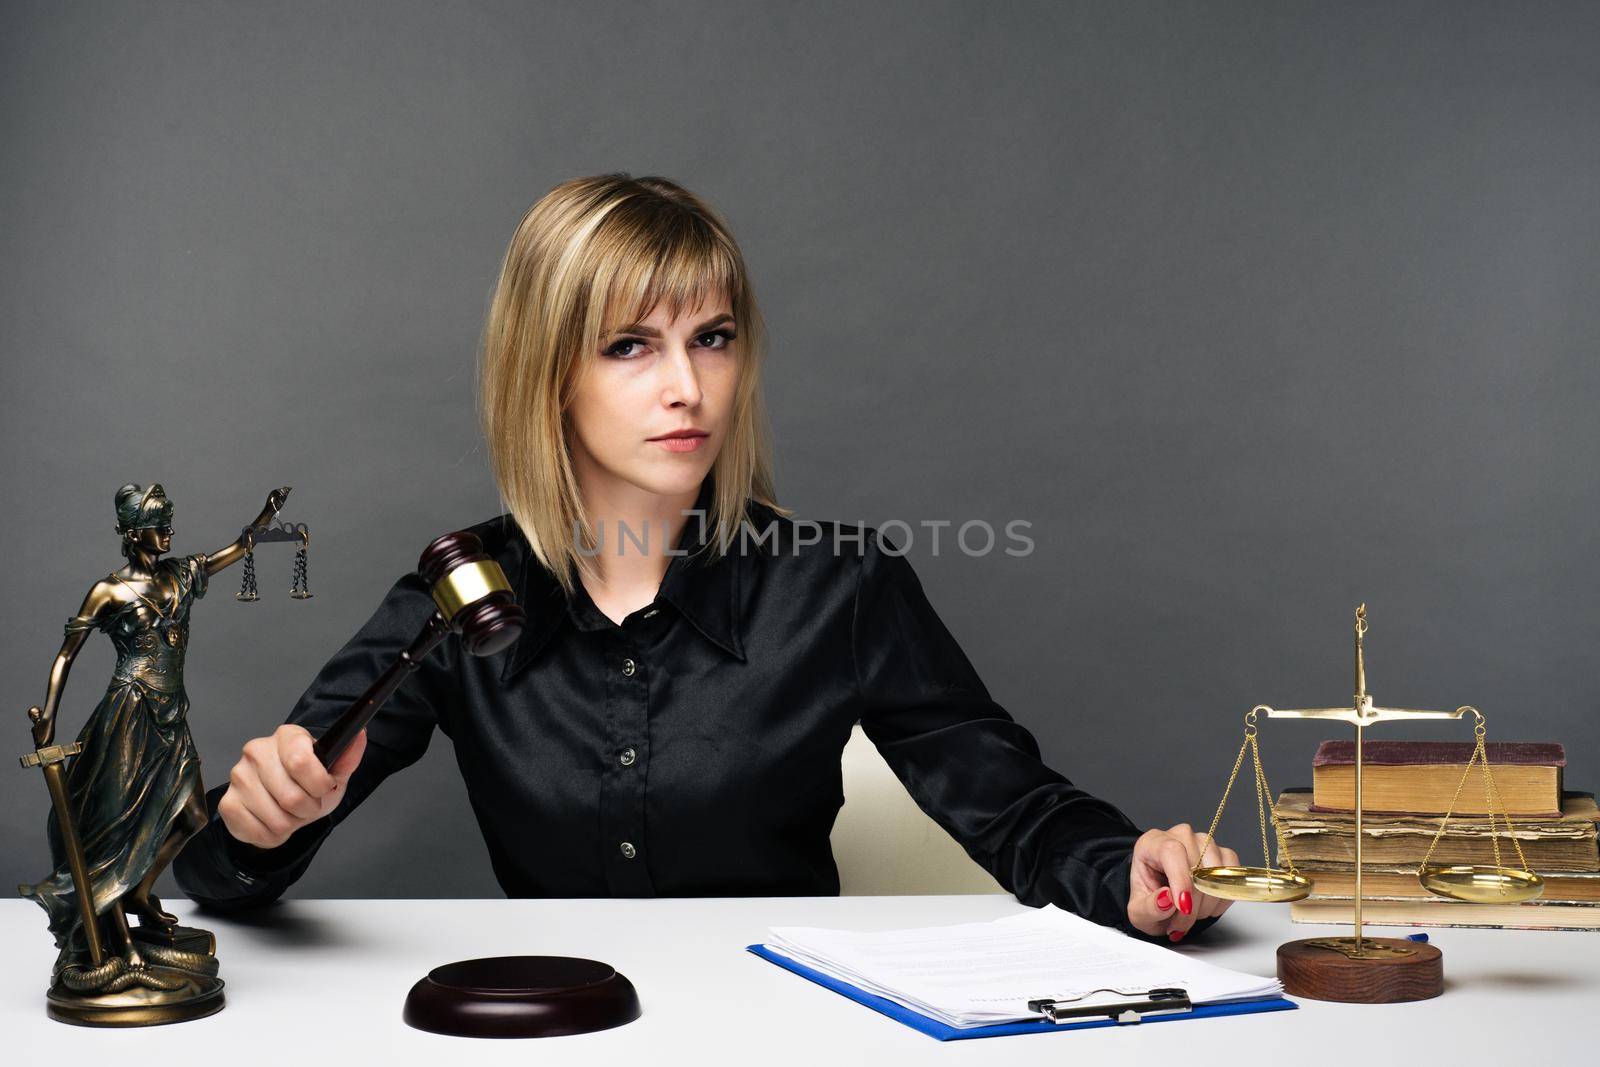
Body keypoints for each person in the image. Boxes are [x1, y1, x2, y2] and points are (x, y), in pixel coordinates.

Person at [174, 174, 1238, 943]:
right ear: (548, 377)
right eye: (630, 344)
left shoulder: (840, 584)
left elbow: (1017, 811)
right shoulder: (462, 595)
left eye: (713, 337)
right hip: (561, 1035)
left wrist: (1131, 874)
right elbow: (223, 867)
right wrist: (259, 824)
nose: (688, 385)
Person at [24, 483, 287, 982]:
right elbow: (66, 654)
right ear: (129, 531)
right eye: (158, 524)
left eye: (169, 522)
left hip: (171, 713)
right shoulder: (108, 591)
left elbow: (232, 551)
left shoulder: (180, 574)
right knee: (120, 825)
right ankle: (115, 928)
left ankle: (140, 892)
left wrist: (263, 518)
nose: (168, 532)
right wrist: (49, 719)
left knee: (192, 817)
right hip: (130, 713)